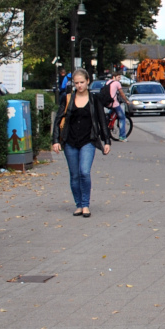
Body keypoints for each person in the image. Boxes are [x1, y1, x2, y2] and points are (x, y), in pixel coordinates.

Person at [51, 68, 112, 217]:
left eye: (82, 82)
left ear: (88, 81)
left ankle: (85, 205)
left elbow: (102, 120)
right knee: (74, 175)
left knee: (84, 172)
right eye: (76, 83)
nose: (79, 85)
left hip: (88, 140)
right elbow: (58, 119)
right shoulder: (67, 98)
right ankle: (78, 204)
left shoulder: (94, 99)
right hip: (70, 141)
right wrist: (55, 140)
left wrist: (107, 141)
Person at [102, 73, 128, 140]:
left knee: (110, 117)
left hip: (108, 102)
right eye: (118, 77)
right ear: (114, 77)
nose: (120, 79)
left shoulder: (108, 82)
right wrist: (126, 101)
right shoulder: (117, 83)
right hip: (114, 103)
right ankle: (122, 136)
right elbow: (121, 93)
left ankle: (107, 126)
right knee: (122, 118)